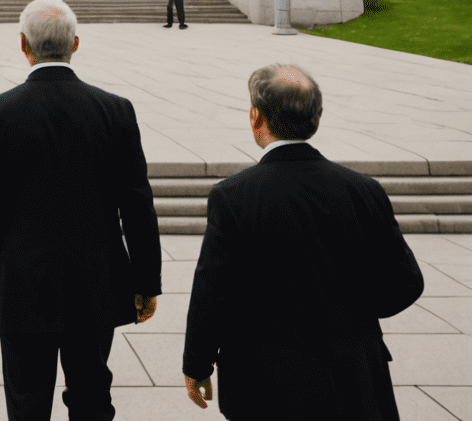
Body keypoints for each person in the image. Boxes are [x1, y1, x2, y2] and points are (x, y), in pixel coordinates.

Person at [181, 63, 423, 420]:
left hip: (265, 381)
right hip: (351, 376)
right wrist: (350, 315)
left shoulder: (233, 196)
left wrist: (197, 364)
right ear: (317, 116)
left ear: (255, 117)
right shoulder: (362, 189)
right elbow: (406, 282)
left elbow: (213, 290)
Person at [0, 0, 161, 421]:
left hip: (21, 281)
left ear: (23, 45)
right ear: (75, 44)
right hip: (97, 278)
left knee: (27, 400)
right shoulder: (115, 111)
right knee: (91, 393)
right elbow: (138, 204)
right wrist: (145, 281)